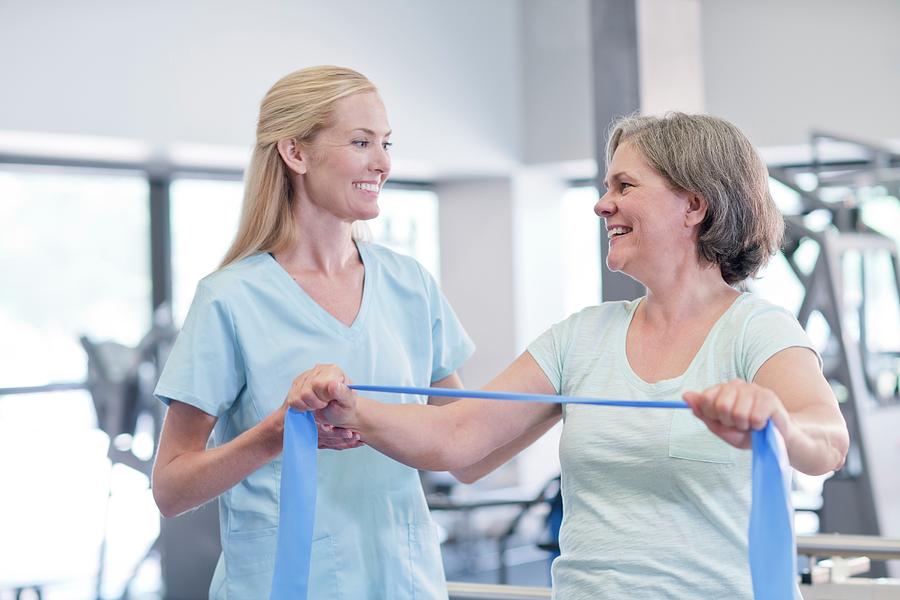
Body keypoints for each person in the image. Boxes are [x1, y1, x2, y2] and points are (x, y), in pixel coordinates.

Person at [293, 113, 851, 600]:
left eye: (625, 185)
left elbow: (826, 443)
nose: (601, 203)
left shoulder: (755, 329)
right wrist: (348, 405)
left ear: (694, 205)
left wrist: (775, 421)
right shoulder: (581, 336)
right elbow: (460, 441)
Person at [150, 66, 553, 600]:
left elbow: (468, 454)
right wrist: (280, 434)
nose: (383, 162)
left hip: (403, 583)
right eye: (361, 142)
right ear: (296, 153)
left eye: (385, 143)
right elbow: (172, 489)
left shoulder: (410, 285)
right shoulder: (229, 298)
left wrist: (562, 400)